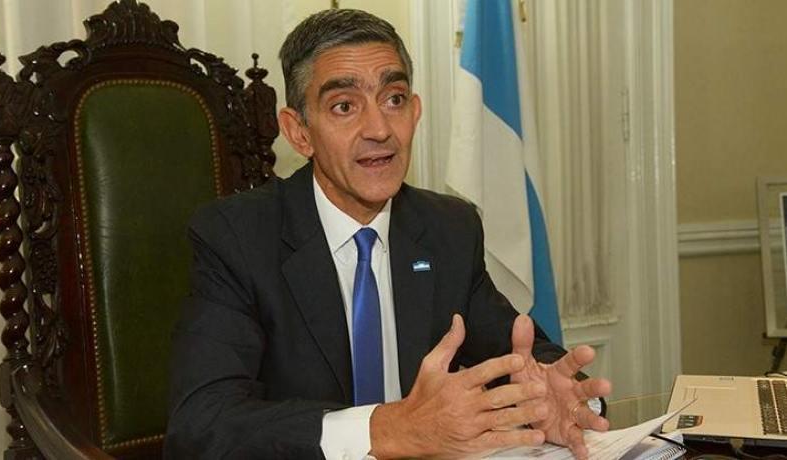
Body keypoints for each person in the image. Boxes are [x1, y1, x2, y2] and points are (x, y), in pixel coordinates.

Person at [165, 8, 611, 460]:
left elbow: (522, 355)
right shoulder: (236, 237)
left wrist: (558, 397)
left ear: (415, 113)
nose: (379, 130)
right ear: (299, 133)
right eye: (344, 106)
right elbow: (202, 424)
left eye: (394, 99)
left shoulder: (449, 228)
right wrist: (386, 428)